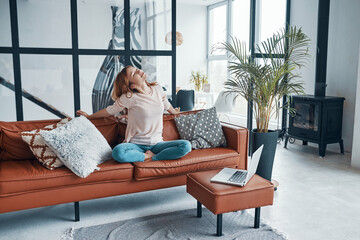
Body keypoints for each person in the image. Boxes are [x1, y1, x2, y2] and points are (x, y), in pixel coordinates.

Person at [77, 66, 192, 163]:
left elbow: (165, 103)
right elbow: (110, 110)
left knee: (186, 146)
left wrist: (174, 112)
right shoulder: (130, 97)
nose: (138, 71)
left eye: (136, 69)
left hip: (157, 144)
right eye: (133, 73)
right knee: (118, 152)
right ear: (132, 86)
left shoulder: (158, 89)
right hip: (136, 145)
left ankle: (154, 157)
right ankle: (146, 156)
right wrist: (89, 116)